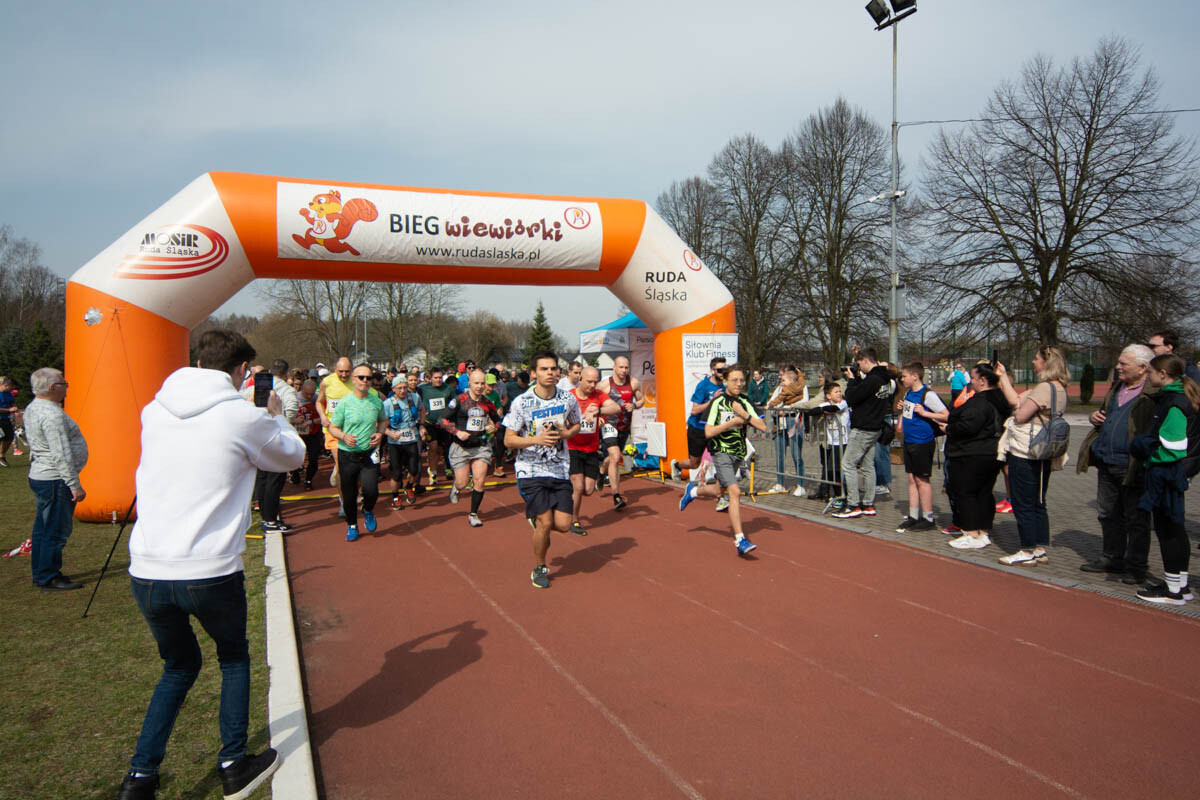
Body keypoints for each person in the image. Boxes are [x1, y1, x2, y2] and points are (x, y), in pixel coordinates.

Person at [116, 329, 302, 800]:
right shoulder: (240, 415)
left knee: (177, 667)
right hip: (209, 568)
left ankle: (140, 777)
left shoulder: (153, 409)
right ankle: (234, 762)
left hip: (148, 568)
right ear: (241, 371)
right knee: (233, 658)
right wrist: (277, 418)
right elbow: (291, 457)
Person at [1075, 344, 1156, 583]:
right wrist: (1094, 418)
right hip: (1107, 461)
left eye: (1124, 364)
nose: (1118, 367)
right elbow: (1106, 414)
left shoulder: (1153, 393)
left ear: (1143, 368)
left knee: (1136, 519)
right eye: (1119, 362)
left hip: (1133, 465)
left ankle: (1136, 566)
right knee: (1107, 513)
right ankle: (1112, 556)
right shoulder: (1117, 387)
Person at [504, 350, 581, 589]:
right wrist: (535, 440)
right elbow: (508, 440)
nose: (550, 373)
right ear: (533, 373)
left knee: (565, 525)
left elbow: (576, 424)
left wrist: (566, 433)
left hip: (559, 468)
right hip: (530, 469)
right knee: (545, 522)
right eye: (544, 369)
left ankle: (536, 521)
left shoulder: (568, 399)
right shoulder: (522, 402)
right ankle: (540, 567)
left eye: (553, 369)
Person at [679, 364, 768, 556]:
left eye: (741, 380)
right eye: (734, 380)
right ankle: (740, 540)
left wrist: (743, 415)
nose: (738, 384)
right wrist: (731, 422)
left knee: (719, 490)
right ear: (725, 381)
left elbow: (763, 427)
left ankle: (693, 491)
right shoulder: (717, 403)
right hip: (720, 451)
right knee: (734, 491)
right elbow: (708, 431)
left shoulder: (745, 401)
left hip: (738, 452)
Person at [1129, 353, 1197, 605]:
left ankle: (1173, 590)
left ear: (1163, 374)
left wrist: (1143, 445)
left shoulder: (1176, 402)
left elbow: (1174, 445)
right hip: (1168, 472)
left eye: (1150, 373)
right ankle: (1180, 584)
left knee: (1169, 530)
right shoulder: (1176, 398)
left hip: (1165, 473)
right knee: (1174, 528)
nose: (1147, 377)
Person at [994, 346, 1069, 566]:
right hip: (1044, 450)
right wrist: (1003, 377)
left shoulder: (1044, 388)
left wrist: (1018, 413)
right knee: (1038, 499)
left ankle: (1026, 549)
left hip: (1026, 450)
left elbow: (1020, 413)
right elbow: (1016, 399)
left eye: (1036, 359)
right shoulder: (1059, 388)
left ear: (1047, 363)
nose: (1033, 362)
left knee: (1023, 500)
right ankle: (1038, 547)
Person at [24, 367, 88, 591]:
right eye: (64, 384)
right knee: (55, 529)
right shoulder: (52, 415)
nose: (66, 387)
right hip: (54, 478)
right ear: (53, 388)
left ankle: (42, 571)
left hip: (43, 475)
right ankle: (48, 576)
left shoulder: (34, 408)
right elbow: (60, 452)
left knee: (43, 527)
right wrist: (74, 485)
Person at [944, 364, 1010, 551]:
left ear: (982, 380)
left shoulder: (981, 402)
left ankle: (972, 532)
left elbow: (968, 426)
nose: (970, 381)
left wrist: (949, 428)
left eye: (972, 378)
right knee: (983, 492)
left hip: (972, 452)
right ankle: (983, 531)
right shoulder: (1000, 399)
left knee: (967, 492)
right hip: (991, 452)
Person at [328, 364, 386, 542]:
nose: (365, 381)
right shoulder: (345, 403)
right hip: (348, 455)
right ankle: (352, 524)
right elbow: (333, 427)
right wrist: (344, 436)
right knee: (349, 494)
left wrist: (380, 433)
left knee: (371, 491)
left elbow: (383, 420)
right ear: (354, 380)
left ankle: (368, 510)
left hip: (368, 454)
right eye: (361, 377)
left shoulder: (376, 401)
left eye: (368, 378)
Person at [832, 348, 892, 519]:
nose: (859, 368)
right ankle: (868, 503)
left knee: (848, 464)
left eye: (859, 364)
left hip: (864, 427)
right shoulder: (884, 379)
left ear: (866, 360)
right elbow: (864, 394)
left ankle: (853, 504)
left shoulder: (873, 379)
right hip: (875, 427)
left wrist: (851, 380)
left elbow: (851, 397)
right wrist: (858, 378)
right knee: (867, 466)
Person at [241, 358, 298, 533]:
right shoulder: (288, 390)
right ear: (286, 374)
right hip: (275, 437)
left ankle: (266, 516)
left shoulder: (252, 388)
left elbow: (242, 404)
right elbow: (292, 411)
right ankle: (270, 519)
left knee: (263, 476)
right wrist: (283, 424)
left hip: (257, 437)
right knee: (275, 479)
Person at [441, 369, 502, 527]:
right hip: (461, 447)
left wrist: (493, 427)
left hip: (481, 446)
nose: (480, 386)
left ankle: (473, 514)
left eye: (483, 383)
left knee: (479, 480)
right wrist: (457, 432)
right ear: (469, 383)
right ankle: (456, 486)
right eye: (476, 383)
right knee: (462, 483)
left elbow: (499, 421)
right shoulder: (459, 400)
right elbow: (441, 419)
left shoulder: (488, 403)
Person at [568, 366, 621, 535]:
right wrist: (573, 422)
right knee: (577, 486)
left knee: (588, 490)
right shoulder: (569, 396)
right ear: (580, 379)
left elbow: (616, 408)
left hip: (591, 449)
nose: (592, 385)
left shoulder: (598, 395)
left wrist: (598, 412)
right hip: (572, 448)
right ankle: (574, 520)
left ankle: (569, 494)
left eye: (595, 381)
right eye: (589, 381)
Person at [896, 362, 947, 532]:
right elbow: (907, 412)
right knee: (912, 478)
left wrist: (925, 413)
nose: (902, 379)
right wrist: (901, 413)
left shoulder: (928, 395)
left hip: (923, 442)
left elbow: (946, 415)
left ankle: (928, 517)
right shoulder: (909, 393)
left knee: (922, 479)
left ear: (915, 376)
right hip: (910, 440)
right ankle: (913, 514)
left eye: (904, 376)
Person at [596, 355, 643, 509]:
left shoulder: (634, 382)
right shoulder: (604, 385)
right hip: (609, 424)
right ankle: (616, 495)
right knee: (616, 457)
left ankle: (602, 471)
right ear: (614, 367)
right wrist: (598, 416)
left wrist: (635, 406)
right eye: (621, 367)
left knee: (612, 458)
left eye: (626, 367)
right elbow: (594, 401)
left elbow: (641, 400)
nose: (623, 370)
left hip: (624, 426)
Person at [670, 356, 727, 482]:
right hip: (697, 428)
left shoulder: (725, 385)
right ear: (712, 371)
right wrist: (713, 400)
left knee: (721, 458)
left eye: (725, 370)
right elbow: (694, 410)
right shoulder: (703, 386)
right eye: (720, 370)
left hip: (713, 429)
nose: (723, 373)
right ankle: (677, 466)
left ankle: (721, 491)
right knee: (694, 463)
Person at [765, 366, 808, 496]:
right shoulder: (779, 388)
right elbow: (773, 401)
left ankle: (801, 484)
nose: (780, 378)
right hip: (779, 422)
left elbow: (804, 401)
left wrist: (788, 408)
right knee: (779, 454)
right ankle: (780, 483)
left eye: (782, 375)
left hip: (793, 421)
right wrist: (775, 409)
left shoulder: (801, 387)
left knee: (796, 455)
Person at [383, 375, 422, 509]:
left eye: (405, 387)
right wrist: (390, 433)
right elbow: (380, 424)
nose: (403, 391)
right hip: (395, 443)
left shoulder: (415, 398)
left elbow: (422, 410)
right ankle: (395, 496)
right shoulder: (388, 404)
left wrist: (421, 425)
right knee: (396, 473)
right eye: (399, 388)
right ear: (394, 389)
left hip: (411, 439)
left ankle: (409, 487)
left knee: (414, 469)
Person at [316, 358, 354, 494]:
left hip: (352, 430)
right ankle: (343, 501)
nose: (344, 375)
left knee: (353, 465)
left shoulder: (357, 382)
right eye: (341, 372)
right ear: (335, 370)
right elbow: (319, 402)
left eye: (347, 372)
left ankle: (353, 490)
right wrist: (322, 416)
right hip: (332, 429)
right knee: (342, 464)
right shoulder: (327, 382)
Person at [419, 367, 458, 483]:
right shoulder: (423, 389)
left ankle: (442, 468)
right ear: (430, 378)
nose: (438, 380)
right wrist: (422, 412)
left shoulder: (448, 389)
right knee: (433, 447)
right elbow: (417, 402)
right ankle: (434, 473)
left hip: (444, 424)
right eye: (436, 378)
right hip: (430, 423)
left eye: (440, 377)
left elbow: (455, 403)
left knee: (443, 449)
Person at [292, 378, 323, 490]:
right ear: (302, 390)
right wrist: (295, 419)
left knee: (314, 459)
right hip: (297, 434)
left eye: (312, 394)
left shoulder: (317, 398)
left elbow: (325, 417)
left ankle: (308, 480)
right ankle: (294, 472)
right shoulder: (294, 398)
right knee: (295, 457)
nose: (310, 397)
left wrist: (312, 422)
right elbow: (284, 416)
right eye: (307, 394)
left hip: (312, 433)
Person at [0, 376, 16, 466]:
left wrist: (15, 408)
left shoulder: (9, 394)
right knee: (1, 437)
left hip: (6, 419)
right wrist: (9, 410)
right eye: (9, 385)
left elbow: (12, 403)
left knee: (9, 437)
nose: (11, 388)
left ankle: (1, 456)